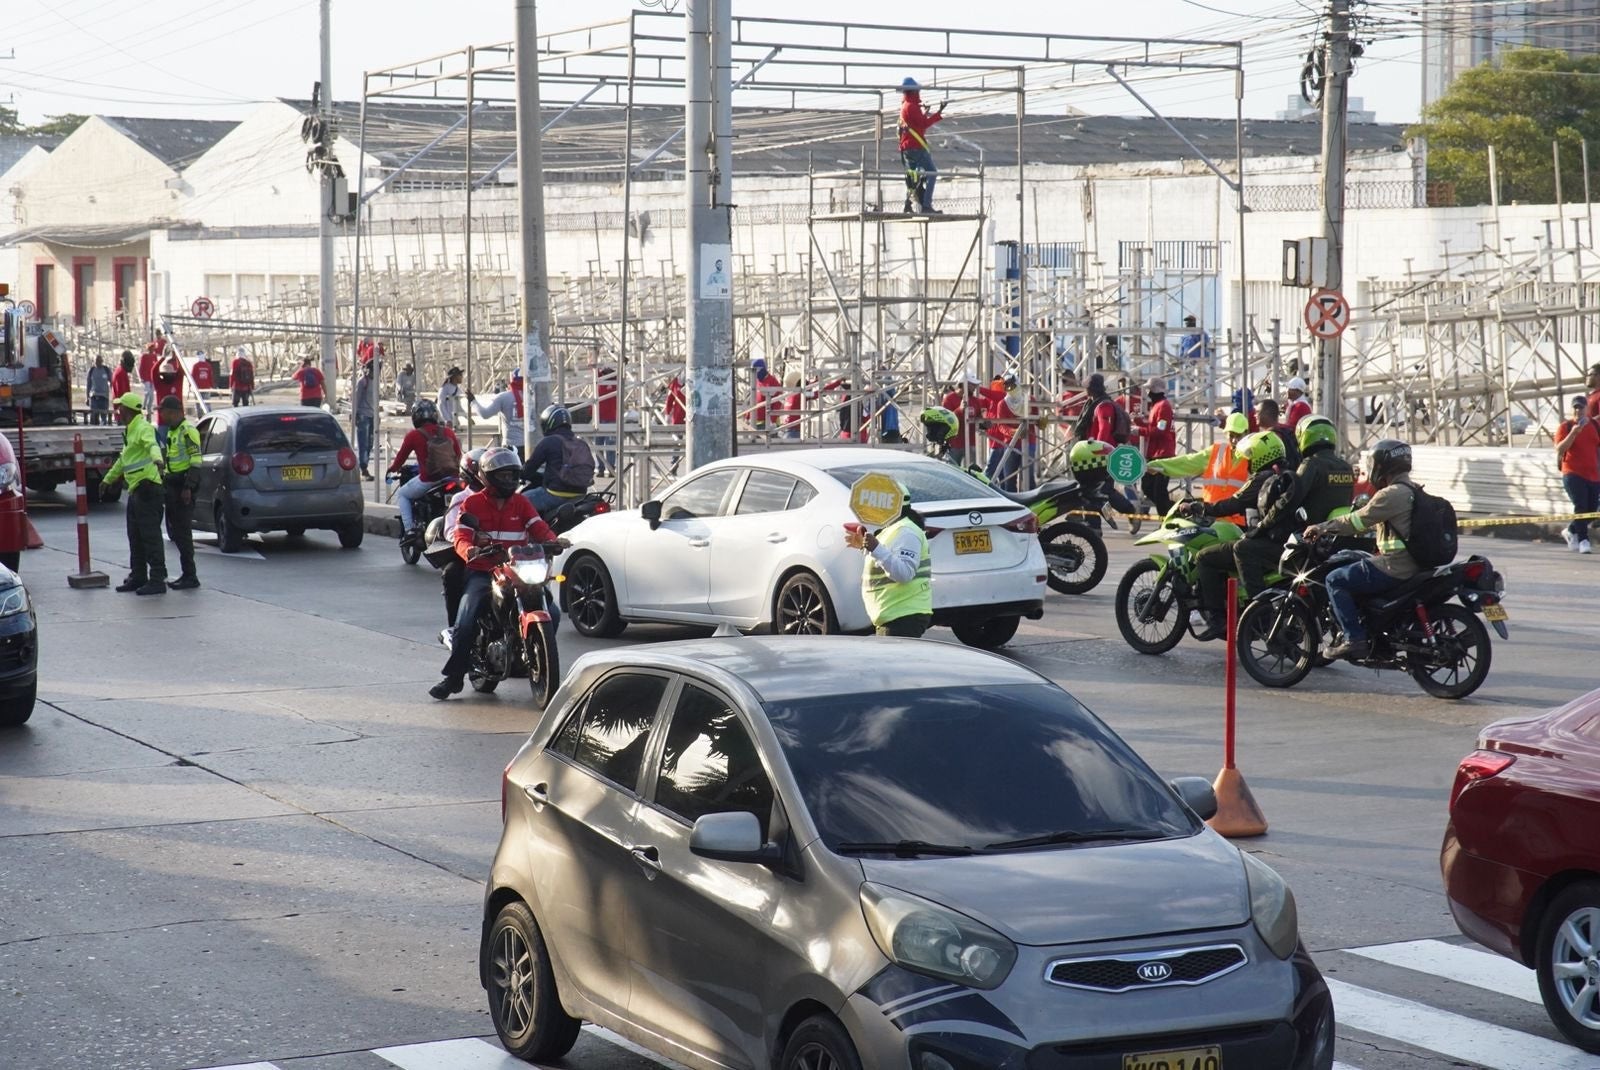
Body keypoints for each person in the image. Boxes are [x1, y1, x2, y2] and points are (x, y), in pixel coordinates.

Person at [430, 447, 565, 700]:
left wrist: (553, 541)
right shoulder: (472, 503)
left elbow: (539, 527)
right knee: (467, 618)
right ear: (487, 477)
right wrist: (468, 550)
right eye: (503, 476)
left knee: (553, 612)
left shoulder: (522, 503)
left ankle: (535, 657)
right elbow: (460, 536)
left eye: (512, 475)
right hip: (484, 571)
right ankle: (454, 677)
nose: (509, 481)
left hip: (519, 570)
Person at [1302, 439, 1425, 661]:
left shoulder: (1390, 494)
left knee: (1335, 579)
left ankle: (1354, 638)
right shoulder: (1416, 490)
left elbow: (1357, 522)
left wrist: (1322, 528)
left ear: (1382, 466)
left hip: (1395, 567)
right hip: (1417, 565)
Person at [1231, 414, 1354, 604]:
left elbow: (1288, 501)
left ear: (1305, 437)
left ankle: (1259, 607)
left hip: (1306, 543)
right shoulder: (1345, 468)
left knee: (1243, 548)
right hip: (1333, 542)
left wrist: (1261, 527)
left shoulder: (1311, 464)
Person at [1186, 430, 1292, 637]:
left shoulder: (1263, 477)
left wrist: (1201, 508)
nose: (1248, 462)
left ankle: (1218, 620)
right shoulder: (1290, 473)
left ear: (1261, 455)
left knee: (1205, 557)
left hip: (1267, 543)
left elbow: (1234, 503)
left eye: (1251, 457)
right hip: (1285, 542)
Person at [845, 483, 932, 637]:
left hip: (903, 616)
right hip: (894, 615)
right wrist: (866, 548)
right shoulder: (892, 530)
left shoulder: (907, 532)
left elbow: (904, 573)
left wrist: (876, 548)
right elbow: (886, 562)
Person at [101, 391, 167, 596]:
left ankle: (157, 579)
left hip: (147, 488)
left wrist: (157, 459)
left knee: (150, 537)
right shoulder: (130, 430)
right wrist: (107, 479)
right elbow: (124, 460)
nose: (117, 411)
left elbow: (152, 445)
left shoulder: (142, 427)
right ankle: (138, 576)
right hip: (136, 490)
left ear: (128, 410)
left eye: (120, 407)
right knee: (135, 536)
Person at [1146, 411, 1252, 523]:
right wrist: (1157, 465)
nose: (1234, 440)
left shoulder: (1252, 457)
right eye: (1231, 435)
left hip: (1237, 523)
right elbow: (1186, 462)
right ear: (1226, 434)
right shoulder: (1216, 452)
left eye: (1238, 436)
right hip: (1210, 518)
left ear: (1246, 433)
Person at [388, 399, 462, 534]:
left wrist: (392, 469)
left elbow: (400, 458)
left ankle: (409, 530)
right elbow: (458, 455)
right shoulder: (448, 432)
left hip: (429, 479)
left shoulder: (414, 435)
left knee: (403, 494)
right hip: (453, 477)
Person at [438, 447, 487, 641]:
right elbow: (451, 531)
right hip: (471, 555)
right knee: (452, 573)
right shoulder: (462, 499)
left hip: (503, 554)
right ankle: (456, 629)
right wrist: (473, 541)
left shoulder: (510, 497)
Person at [521, 404, 596, 520]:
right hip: (581, 494)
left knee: (517, 502)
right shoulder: (580, 442)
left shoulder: (548, 441)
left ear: (547, 423)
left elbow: (528, 469)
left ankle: (527, 536)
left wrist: (519, 473)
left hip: (555, 495)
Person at [157, 395, 201, 590]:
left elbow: (196, 461)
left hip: (183, 486)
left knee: (183, 533)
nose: (161, 415)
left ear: (174, 412)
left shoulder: (187, 431)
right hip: (172, 485)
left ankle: (190, 576)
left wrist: (188, 488)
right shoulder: (172, 432)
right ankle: (186, 574)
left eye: (164, 412)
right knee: (177, 533)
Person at [1557, 394, 1599, 554]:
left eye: (1581, 407)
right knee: (1581, 507)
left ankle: (1571, 530)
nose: (1578, 411)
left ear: (1587, 409)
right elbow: (1560, 448)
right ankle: (1583, 540)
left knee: (1592, 510)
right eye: (1575, 408)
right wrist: (1574, 433)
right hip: (1573, 473)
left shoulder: (1595, 425)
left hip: (1593, 474)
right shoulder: (1566, 427)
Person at [896, 77, 944, 214]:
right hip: (916, 146)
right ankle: (926, 206)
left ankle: (908, 204)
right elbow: (923, 125)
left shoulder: (905, 106)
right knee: (932, 173)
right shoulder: (912, 106)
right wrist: (938, 113)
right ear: (914, 91)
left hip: (907, 148)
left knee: (912, 177)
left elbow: (917, 126)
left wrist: (926, 113)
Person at [941, 373, 1002, 467]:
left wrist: (984, 424)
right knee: (952, 472)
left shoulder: (975, 400)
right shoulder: (949, 399)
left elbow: (978, 418)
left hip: (970, 444)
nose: (975, 387)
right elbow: (946, 420)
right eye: (972, 384)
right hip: (953, 445)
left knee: (970, 473)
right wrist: (959, 410)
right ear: (964, 384)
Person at [1138, 376, 1177, 516]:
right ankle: (1172, 511)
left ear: (1155, 391)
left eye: (1150, 390)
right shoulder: (1157, 406)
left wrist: (1139, 430)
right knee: (1148, 487)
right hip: (1155, 454)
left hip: (1163, 454)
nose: (1148, 394)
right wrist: (1139, 424)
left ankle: (1169, 515)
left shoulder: (1163, 406)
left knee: (1158, 491)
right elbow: (1155, 427)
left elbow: (1161, 431)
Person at [470, 367, 527, 457]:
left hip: (510, 446)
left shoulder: (503, 397)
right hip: (530, 445)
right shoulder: (534, 396)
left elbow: (485, 414)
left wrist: (473, 401)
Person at [1257, 398, 1300, 471]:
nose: (1255, 415)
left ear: (1267, 413)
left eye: (1257, 412)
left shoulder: (1269, 438)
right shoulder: (1287, 432)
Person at [352, 359, 377, 479]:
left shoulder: (375, 382)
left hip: (372, 415)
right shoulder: (362, 382)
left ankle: (364, 465)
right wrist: (354, 413)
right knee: (363, 442)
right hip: (363, 415)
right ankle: (363, 468)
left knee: (370, 443)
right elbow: (356, 398)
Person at [593, 365, 618, 476]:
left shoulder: (614, 384)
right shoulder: (601, 382)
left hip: (608, 419)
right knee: (601, 445)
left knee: (607, 445)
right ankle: (604, 468)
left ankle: (608, 467)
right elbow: (594, 371)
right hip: (602, 418)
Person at [748, 358, 782, 431]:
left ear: (762, 369)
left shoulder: (772, 382)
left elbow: (777, 402)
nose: (755, 374)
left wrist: (772, 420)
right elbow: (752, 399)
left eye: (756, 371)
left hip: (767, 423)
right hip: (755, 422)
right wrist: (747, 416)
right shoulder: (756, 381)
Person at [86, 354, 112, 425]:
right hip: (94, 397)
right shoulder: (91, 370)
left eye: (100, 361)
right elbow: (88, 385)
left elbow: (112, 382)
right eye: (97, 361)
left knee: (104, 419)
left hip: (104, 398)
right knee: (93, 418)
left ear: (102, 361)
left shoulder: (106, 370)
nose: (98, 362)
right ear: (94, 361)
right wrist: (87, 398)